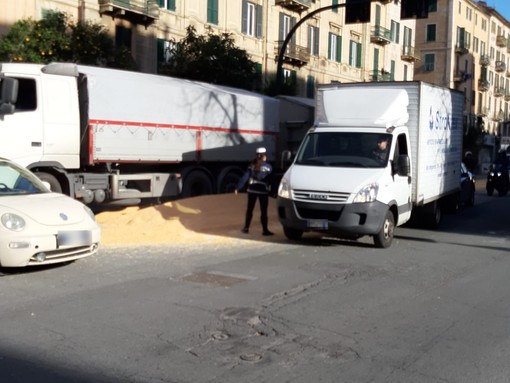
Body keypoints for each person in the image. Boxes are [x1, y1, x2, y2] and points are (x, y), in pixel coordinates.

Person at [235, 147, 274, 236]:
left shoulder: (251, 165)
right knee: (263, 211)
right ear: (264, 156)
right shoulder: (268, 167)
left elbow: (245, 177)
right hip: (263, 192)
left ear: (256, 156)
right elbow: (272, 180)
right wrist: (273, 192)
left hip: (251, 190)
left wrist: (238, 187)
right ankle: (265, 230)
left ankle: (246, 228)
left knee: (249, 210)